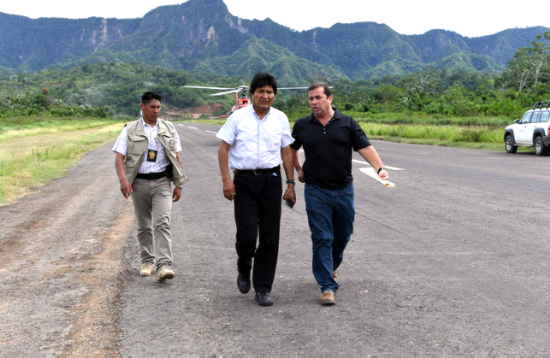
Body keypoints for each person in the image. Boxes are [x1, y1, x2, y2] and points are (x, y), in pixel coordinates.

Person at [290, 83, 389, 306]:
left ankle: (330, 266)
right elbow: (290, 149)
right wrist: (298, 170)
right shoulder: (303, 125)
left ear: (330, 99)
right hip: (316, 190)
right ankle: (327, 286)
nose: (313, 102)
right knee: (322, 237)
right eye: (310, 99)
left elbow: (365, 147)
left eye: (317, 98)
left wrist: (379, 168)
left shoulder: (347, 123)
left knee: (342, 235)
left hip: (343, 190)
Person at [217, 72, 296, 307]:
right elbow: (223, 150)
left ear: (275, 95)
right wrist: (226, 181)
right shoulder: (238, 118)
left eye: (270, 92)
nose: (265, 96)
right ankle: (244, 266)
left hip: (271, 180)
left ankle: (263, 287)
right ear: (252, 94)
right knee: (247, 235)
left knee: (270, 237)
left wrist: (290, 183)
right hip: (244, 182)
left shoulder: (280, 118)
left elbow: (286, 151)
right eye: (261, 91)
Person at [113, 91, 187, 282]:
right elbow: (119, 158)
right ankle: (147, 261)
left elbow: (177, 157)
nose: (156, 111)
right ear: (142, 107)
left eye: (158, 107)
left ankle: (164, 265)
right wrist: (124, 181)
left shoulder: (169, 128)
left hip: (163, 182)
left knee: (162, 222)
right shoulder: (129, 130)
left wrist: (178, 184)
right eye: (152, 107)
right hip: (139, 183)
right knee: (144, 225)